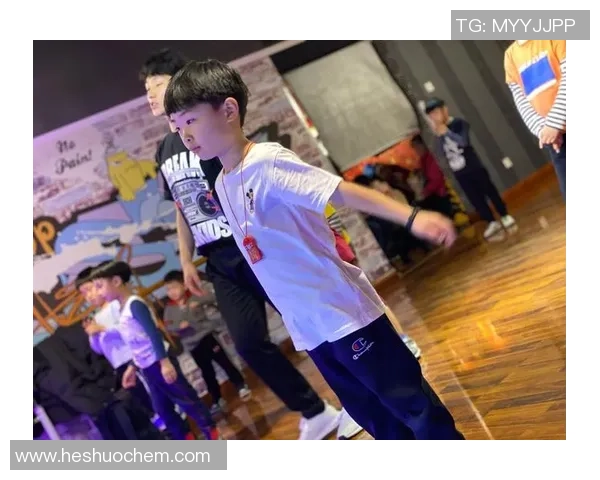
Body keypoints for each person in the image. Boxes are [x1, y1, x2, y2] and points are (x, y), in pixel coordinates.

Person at [164, 59, 464, 440]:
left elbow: (338, 191)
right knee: (377, 421)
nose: (185, 136)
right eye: (177, 127)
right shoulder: (222, 183)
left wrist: (411, 217)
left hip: (345, 314)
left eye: (190, 121)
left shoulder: (268, 162)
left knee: (413, 408)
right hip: (311, 331)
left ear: (228, 110)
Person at [142, 48, 362, 440]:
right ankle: (315, 411)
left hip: (250, 243)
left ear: (179, 81)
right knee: (247, 343)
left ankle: (357, 399)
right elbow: (181, 206)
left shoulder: (207, 132)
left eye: (155, 85)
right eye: (145, 90)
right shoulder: (164, 150)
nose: (148, 96)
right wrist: (186, 259)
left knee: (307, 320)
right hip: (217, 259)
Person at [87, 260, 220, 440]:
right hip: (147, 367)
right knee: (162, 409)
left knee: (185, 399)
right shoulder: (120, 308)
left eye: (100, 286)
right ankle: (186, 438)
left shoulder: (135, 304)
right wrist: (133, 367)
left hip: (158, 361)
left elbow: (153, 333)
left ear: (116, 281)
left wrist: (165, 363)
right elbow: (136, 342)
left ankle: (212, 433)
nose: (99, 292)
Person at [75, 265, 158, 427]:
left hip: (133, 359)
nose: (89, 296)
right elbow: (99, 350)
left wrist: (102, 329)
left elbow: (127, 330)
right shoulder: (96, 316)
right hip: (119, 364)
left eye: (91, 289)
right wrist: (93, 335)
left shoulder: (115, 306)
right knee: (142, 400)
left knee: (152, 394)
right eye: (84, 294)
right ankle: (160, 425)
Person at [425, 98, 517, 241]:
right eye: (432, 115)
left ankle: (504, 215)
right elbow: (440, 154)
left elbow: (463, 142)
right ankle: (491, 221)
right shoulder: (437, 134)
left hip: (474, 166)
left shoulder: (459, 123)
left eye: (436, 113)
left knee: (489, 190)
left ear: (444, 110)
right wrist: (438, 136)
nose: (435, 117)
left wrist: (446, 132)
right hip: (459, 172)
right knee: (475, 198)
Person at [162, 269, 251, 415]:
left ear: (184, 285)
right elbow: (169, 327)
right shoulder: (169, 309)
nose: (171, 292)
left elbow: (211, 297)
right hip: (192, 346)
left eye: (174, 287)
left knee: (224, 362)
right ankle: (217, 399)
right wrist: (179, 327)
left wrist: (198, 300)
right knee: (207, 372)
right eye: (168, 289)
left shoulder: (193, 296)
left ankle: (240, 385)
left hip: (207, 337)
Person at [331, 226, 421, 360]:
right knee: (355, 308)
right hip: (328, 258)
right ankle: (387, 347)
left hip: (335, 252)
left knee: (371, 299)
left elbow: (333, 224)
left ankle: (403, 340)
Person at [504, 40, 566, 199]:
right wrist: (543, 131)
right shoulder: (510, 56)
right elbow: (521, 100)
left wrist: (553, 124)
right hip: (556, 140)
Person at [410, 134, 454, 219]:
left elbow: (436, 180)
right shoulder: (422, 160)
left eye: (417, 146)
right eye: (414, 147)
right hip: (433, 195)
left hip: (441, 194)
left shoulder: (431, 158)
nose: (416, 150)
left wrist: (424, 192)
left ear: (423, 144)